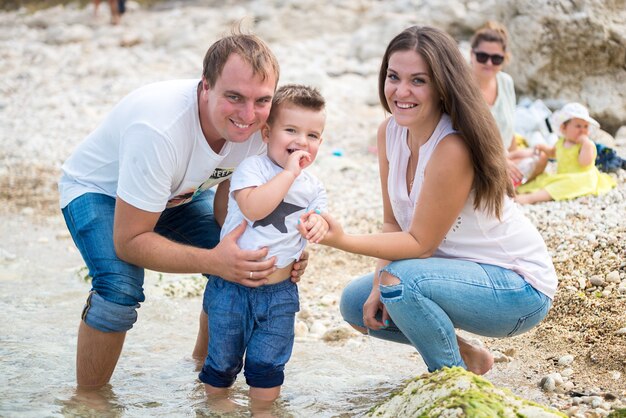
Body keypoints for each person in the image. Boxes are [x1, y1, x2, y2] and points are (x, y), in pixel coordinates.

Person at [59, 32, 310, 390]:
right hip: (100, 192)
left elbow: (241, 207)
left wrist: (284, 248)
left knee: (244, 264)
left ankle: (203, 376)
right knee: (119, 290)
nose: (248, 115)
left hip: (179, 195)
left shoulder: (263, 128)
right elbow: (130, 241)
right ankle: (89, 403)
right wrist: (214, 260)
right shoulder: (160, 130)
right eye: (234, 97)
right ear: (205, 86)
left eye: (261, 100)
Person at [302, 26, 557, 375]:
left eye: (418, 81)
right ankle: (468, 356)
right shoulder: (389, 132)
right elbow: (393, 224)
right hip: (452, 275)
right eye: (394, 77)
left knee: (401, 282)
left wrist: (340, 240)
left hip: (517, 289)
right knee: (355, 303)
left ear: (441, 85)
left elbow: (420, 245)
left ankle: (452, 385)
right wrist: (378, 284)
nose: (401, 91)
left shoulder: (452, 146)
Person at [199, 84, 328, 408]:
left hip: (279, 293)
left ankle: (263, 411)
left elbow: (320, 220)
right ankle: (216, 407)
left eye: (312, 136)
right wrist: (288, 173)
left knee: (269, 365)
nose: (302, 141)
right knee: (222, 361)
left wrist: (318, 226)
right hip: (231, 287)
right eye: (291, 130)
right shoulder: (252, 168)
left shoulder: (313, 186)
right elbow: (255, 208)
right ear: (267, 133)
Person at [469, 21, 548, 186]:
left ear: (504, 59)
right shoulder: (462, 86)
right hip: (476, 159)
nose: (489, 63)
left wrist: (514, 158)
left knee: (540, 157)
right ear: (472, 54)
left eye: (496, 59)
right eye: (482, 56)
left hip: (503, 155)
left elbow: (510, 129)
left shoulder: (506, 82)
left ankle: (510, 184)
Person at [515, 102, 617, 204]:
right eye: (578, 126)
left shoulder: (587, 145)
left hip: (582, 178)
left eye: (586, 126)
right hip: (564, 176)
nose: (582, 130)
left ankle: (531, 198)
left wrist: (586, 143)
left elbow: (584, 162)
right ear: (563, 128)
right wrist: (544, 148)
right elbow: (553, 154)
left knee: (556, 187)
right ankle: (521, 191)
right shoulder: (561, 142)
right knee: (543, 181)